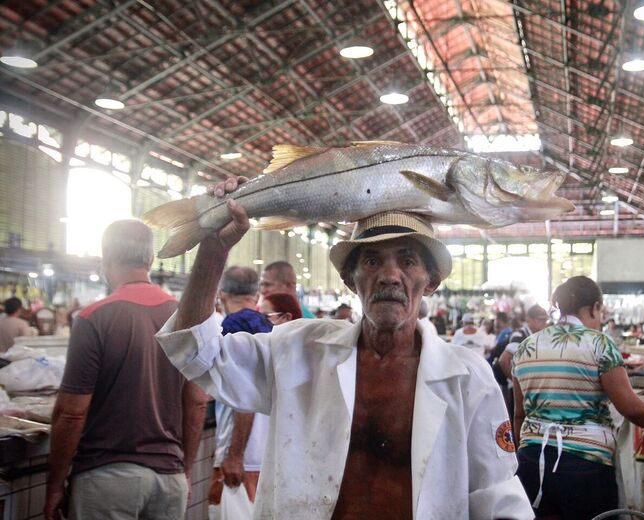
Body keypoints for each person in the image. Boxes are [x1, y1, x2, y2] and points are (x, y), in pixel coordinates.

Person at [156, 176, 533, 519]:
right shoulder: (299, 351)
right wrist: (213, 251)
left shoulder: (467, 377)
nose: (389, 275)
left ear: (430, 280)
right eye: (371, 260)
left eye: (407, 260)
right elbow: (194, 351)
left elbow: (496, 494)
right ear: (350, 279)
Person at [45, 220, 208, 520]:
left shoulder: (93, 318)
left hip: (107, 480)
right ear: (150, 259)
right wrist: (184, 471)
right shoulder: (188, 318)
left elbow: (71, 413)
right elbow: (197, 401)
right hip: (169, 481)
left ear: (106, 257)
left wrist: (55, 484)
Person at [511, 276, 644, 519]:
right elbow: (630, 408)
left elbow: (519, 415)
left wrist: (528, 453)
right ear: (594, 307)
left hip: (530, 462)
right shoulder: (600, 344)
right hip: (584, 469)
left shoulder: (526, 347)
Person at [208, 266, 274, 516]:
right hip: (265, 453)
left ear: (222, 295)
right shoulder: (267, 326)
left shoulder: (233, 328)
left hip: (242, 461)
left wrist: (235, 455)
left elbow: (245, 394)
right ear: (256, 296)